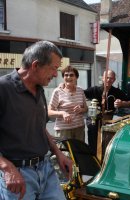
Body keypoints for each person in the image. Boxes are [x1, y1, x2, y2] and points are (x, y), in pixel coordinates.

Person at [0, 41, 73, 200]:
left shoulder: (40, 89)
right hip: (17, 175)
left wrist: (58, 153)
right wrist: (6, 167)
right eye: (54, 68)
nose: (55, 74)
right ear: (35, 65)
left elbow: (40, 127)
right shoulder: (3, 88)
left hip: (46, 169)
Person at [84, 69, 130, 155]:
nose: (108, 80)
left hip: (108, 120)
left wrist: (121, 103)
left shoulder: (117, 91)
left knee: (107, 142)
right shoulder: (95, 89)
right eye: (106, 78)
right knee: (93, 140)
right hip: (94, 120)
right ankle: (93, 159)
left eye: (111, 78)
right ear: (102, 78)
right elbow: (80, 93)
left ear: (114, 80)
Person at [48, 65, 88, 142]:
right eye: (66, 75)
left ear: (76, 77)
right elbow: (49, 112)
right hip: (63, 130)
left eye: (71, 75)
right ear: (63, 77)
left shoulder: (80, 91)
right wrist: (62, 113)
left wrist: (81, 109)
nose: (68, 77)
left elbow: (85, 108)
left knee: (79, 153)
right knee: (65, 153)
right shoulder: (58, 91)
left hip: (79, 128)